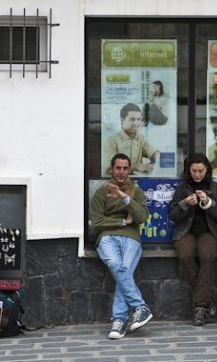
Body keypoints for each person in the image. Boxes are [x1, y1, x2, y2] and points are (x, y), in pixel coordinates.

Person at [89, 153, 153, 339]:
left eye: (125, 168)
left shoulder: (136, 192)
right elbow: (97, 222)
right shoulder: (102, 192)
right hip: (107, 237)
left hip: (131, 238)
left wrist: (125, 198)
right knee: (118, 266)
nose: (121, 172)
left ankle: (119, 321)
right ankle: (140, 306)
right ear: (111, 169)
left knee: (123, 270)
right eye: (118, 168)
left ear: (129, 169)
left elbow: (141, 218)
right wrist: (123, 222)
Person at [170, 153, 217, 326]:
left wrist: (209, 203)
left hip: (209, 231)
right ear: (189, 170)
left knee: (207, 256)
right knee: (185, 256)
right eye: (194, 171)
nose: (197, 174)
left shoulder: (216, 187)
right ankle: (205, 302)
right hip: (185, 231)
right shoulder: (182, 188)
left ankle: (200, 306)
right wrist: (185, 204)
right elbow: (173, 215)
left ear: (207, 170)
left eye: (201, 171)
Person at [102, 103, 160, 174]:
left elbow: (152, 152)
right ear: (122, 120)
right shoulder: (110, 141)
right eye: (132, 119)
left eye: (139, 119)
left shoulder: (140, 138)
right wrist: (135, 166)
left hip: (136, 183)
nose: (136, 123)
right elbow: (109, 170)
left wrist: (159, 158)